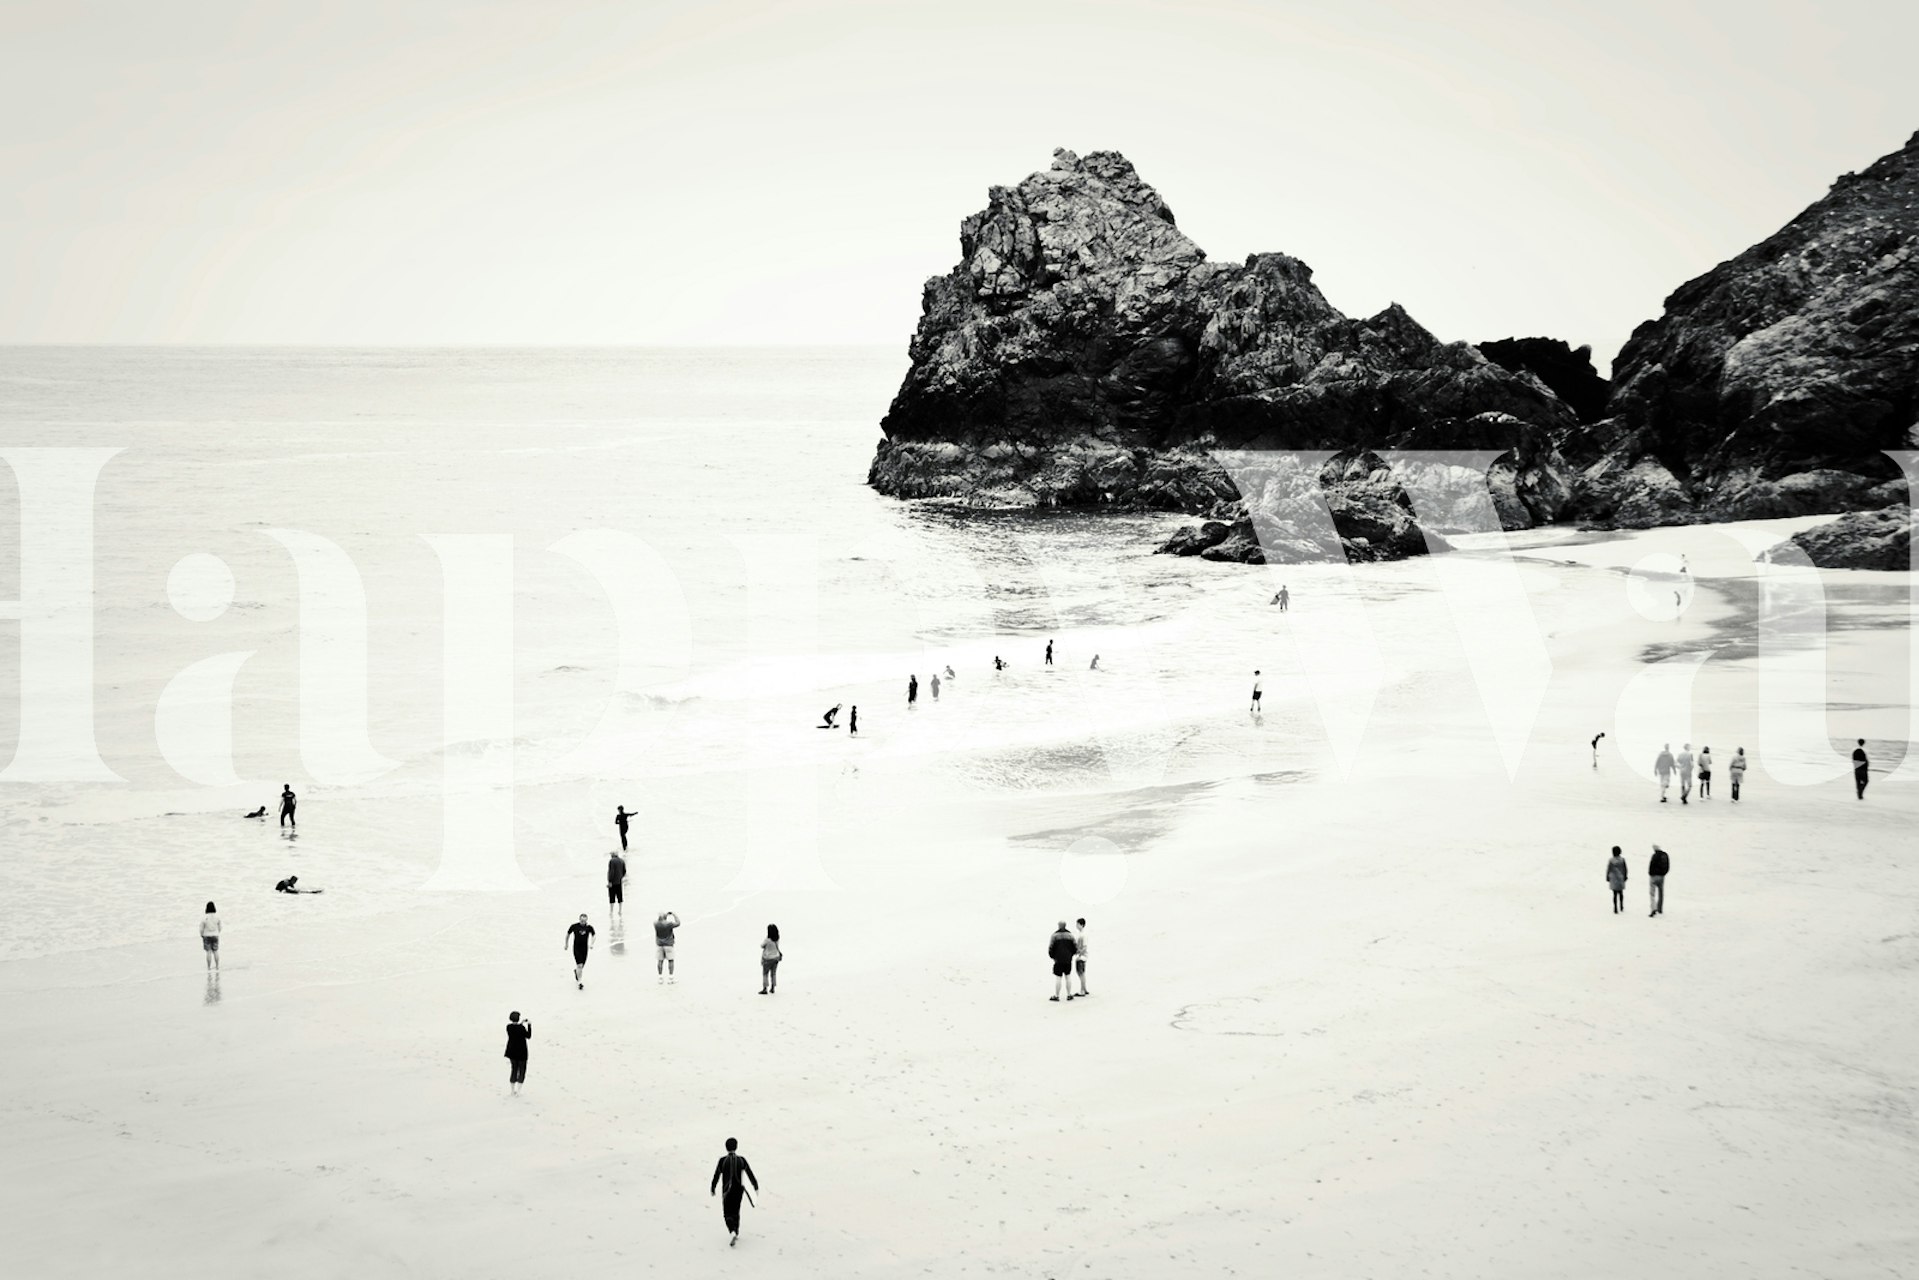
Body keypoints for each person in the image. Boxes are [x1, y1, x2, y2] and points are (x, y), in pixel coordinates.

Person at [710, 1138, 760, 1247]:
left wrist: (713, 1187)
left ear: (726, 1147)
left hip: (727, 1190)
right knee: (736, 1210)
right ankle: (736, 1232)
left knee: (727, 1212)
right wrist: (755, 1185)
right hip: (739, 1189)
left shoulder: (722, 1161)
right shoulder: (742, 1160)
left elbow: (716, 1175)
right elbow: (749, 1173)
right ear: (736, 1147)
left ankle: (732, 1230)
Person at [1048, 921, 1079, 1002]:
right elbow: (1075, 947)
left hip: (1058, 960)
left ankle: (1057, 995)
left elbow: (1050, 948)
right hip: (1068, 960)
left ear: (1058, 926)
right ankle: (1069, 995)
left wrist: (1053, 957)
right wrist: (1071, 955)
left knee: (1058, 977)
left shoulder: (1054, 935)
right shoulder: (1070, 935)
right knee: (1068, 976)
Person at [566, 913, 596, 989]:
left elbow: (594, 935)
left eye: (584, 921)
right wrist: (566, 944)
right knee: (579, 965)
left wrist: (592, 943)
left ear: (586, 920)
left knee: (581, 966)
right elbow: (568, 934)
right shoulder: (574, 926)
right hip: (576, 948)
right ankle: (580, 982)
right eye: (582, 920)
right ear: (579, 919)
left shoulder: (589, 927)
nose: (583, 922)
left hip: (585, 949)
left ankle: (576, 972)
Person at [504, 1012, 531, 1094]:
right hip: (521, 1052)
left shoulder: (508, 1027)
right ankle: (519, 1091)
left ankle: (512, 1090)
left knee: (514, 1070)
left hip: (512, 1052)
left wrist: (521, 1024)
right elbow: (528, 1036)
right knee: (522, 1070)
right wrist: (529, 1026)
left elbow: (516, 1029)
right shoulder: (522, 1028)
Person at [655, 911, 681, 981]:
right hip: (668, 944)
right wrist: (674, 915)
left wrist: (664, 915)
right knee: (670, 960)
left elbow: (660, 920)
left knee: (660, 961)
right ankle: (671, 978)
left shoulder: (655, 923)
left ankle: (660, 977)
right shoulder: (668, 924)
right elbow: (678, 923)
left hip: (659, 944)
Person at [1648, 845, 1670, 917]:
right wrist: (1664, 873)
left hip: (1654, 876)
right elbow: (1668, 866)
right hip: (1662, 876)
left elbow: (1651, 866)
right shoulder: (1665, 855)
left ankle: (1653, 908)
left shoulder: (1654, 856)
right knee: (1661, 893)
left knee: (1652, 894)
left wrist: (1650, 874)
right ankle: (1660, 908)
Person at [759, 924, 782, 995]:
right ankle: (772, 988)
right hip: (776, 958)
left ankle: (765, 989)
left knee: (765, 973)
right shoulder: (777, 939)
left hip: (767, 958)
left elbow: (761, 945)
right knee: (773, 973)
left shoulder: (767, 940)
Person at [1605, 847, 1628, 914]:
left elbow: (1608, 869)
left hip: (1613, 878)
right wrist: (1625, 876)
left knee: (1614, 894)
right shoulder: (1622, 860)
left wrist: (1607, 877)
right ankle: (1621, 906)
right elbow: (1625, 869)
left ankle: (1615, 908)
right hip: (1621, 878)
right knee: (1621, 893)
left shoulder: (1611, 860)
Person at [199, 902, 221, 970]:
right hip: (215, 935)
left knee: (208, 952)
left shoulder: (204, 918)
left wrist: (201, 935)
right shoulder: (217, 917)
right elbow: (220, 927)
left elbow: (201, 928)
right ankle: (217, 966)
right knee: (215, 951)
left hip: (207, 935)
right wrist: (217, 933)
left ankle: (209, 967)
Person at [1073, 917, 1090, 996]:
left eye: (1078, 924)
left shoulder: (1083, 935)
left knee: (1080, 973)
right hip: (1080, 956)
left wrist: (1079, 953)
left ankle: (1082, 991)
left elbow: (1084, 946)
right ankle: (1085, 989)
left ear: (1082, 925)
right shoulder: (1080, 934)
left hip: (1081, 956)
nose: (1076, 925)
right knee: (1081, 972)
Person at [607, 850, 627, 915]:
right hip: (619, 881)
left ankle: (611, 911)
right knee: (620, 896)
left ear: (612, 855)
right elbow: (624, 871)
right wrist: (620, 877)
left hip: (613, 882)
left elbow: (611, 872)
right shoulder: (622, 860)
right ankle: (620, 910)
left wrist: (610, 881)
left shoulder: (612, 861)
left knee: (612, 897)